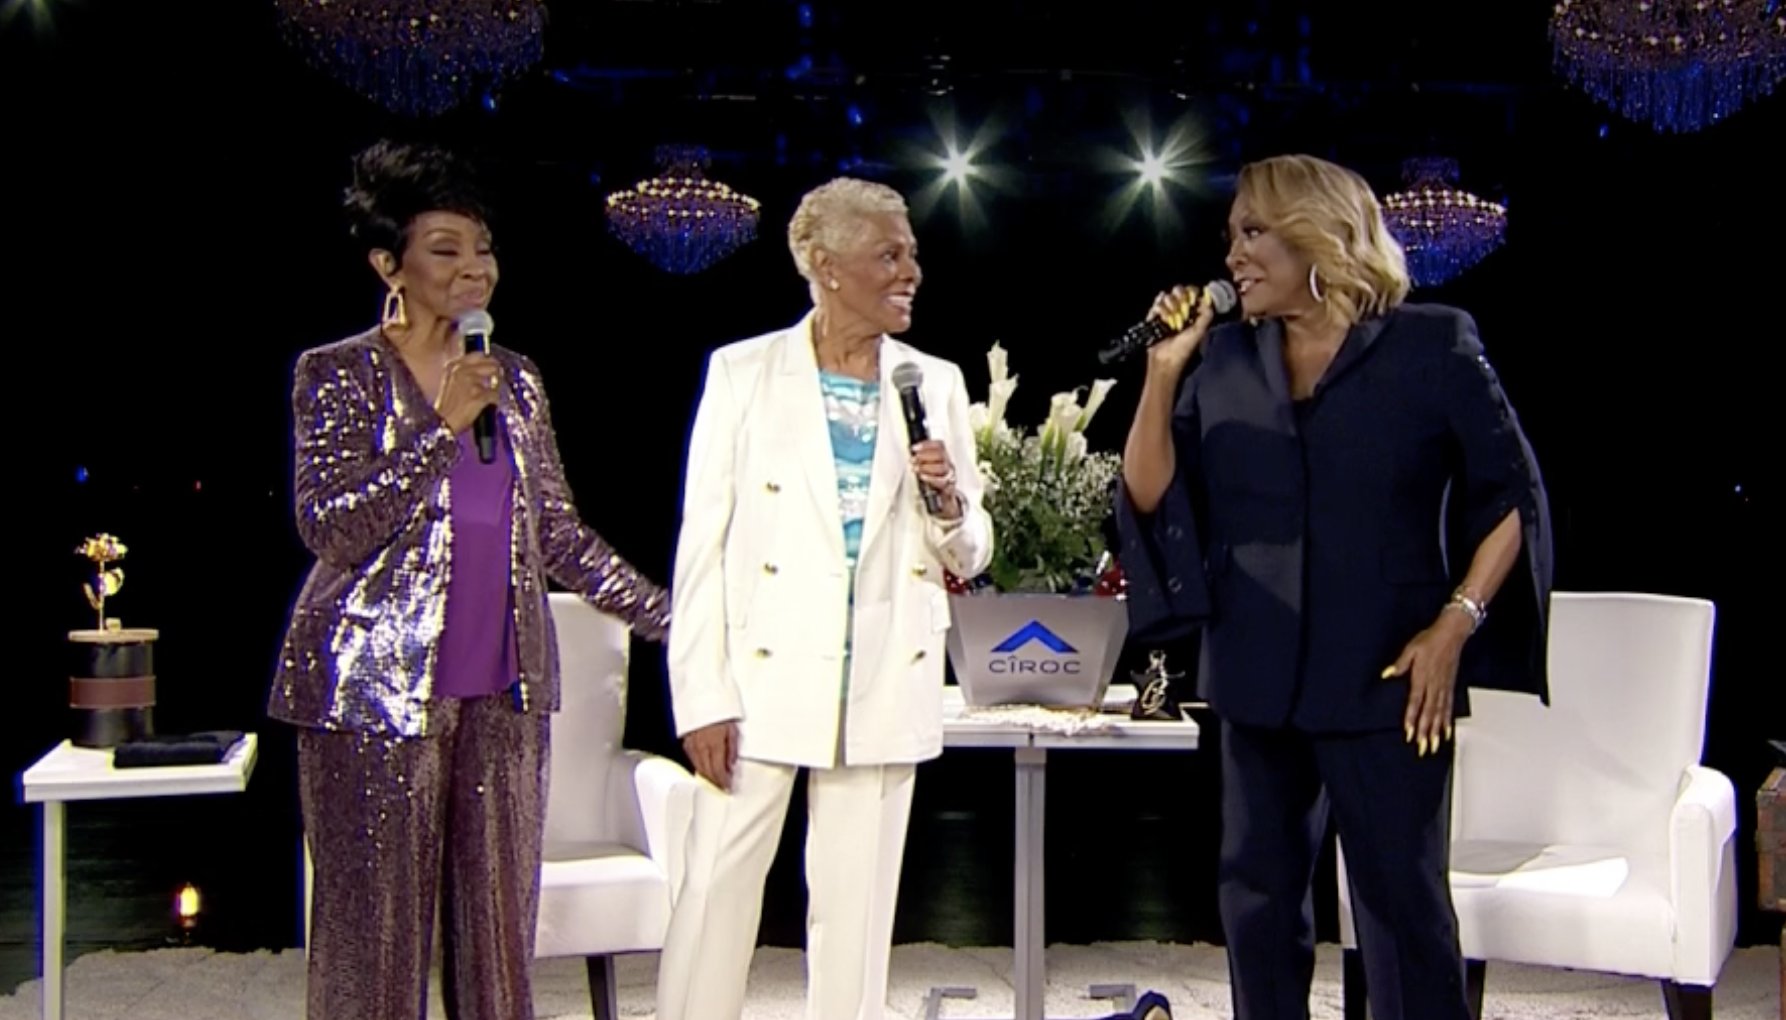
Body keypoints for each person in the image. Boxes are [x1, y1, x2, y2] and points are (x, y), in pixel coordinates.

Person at [1115, 154, 1552, 1020]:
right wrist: (1163, 373)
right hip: (1255, 672)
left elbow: (1512, 498)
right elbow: (1150, 493)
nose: (1232, 255)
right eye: (1230, 235)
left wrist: (1454, 625)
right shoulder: (1223, 359)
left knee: (1401, 908)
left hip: (1389, 675)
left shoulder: (1434, 343)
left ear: (1317, 234)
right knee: (1257, 905)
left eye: (1253, 232)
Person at [270, 139, 671, 1020]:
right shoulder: (335, 374)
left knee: (496, 945)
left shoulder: (516, 381)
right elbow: (330, 527)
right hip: (370, 699)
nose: (475, 268)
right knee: (373, 949)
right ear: (389, 266)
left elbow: (557, 533)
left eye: (483, 248)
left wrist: (673, 618)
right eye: (445, 249)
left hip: (503, 696)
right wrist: (440, 428)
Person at [656, 176, 994, 1020]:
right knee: (716, 890)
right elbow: (702, 549)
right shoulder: (743, 373)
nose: (910, 271)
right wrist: (701, 695)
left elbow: (971, 549)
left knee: (857, 913)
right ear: (825, 264)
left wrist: (947, 499)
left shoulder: (933, 382)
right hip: (760, 676)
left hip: (881, 671)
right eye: (888, 254)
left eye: (912, 253)